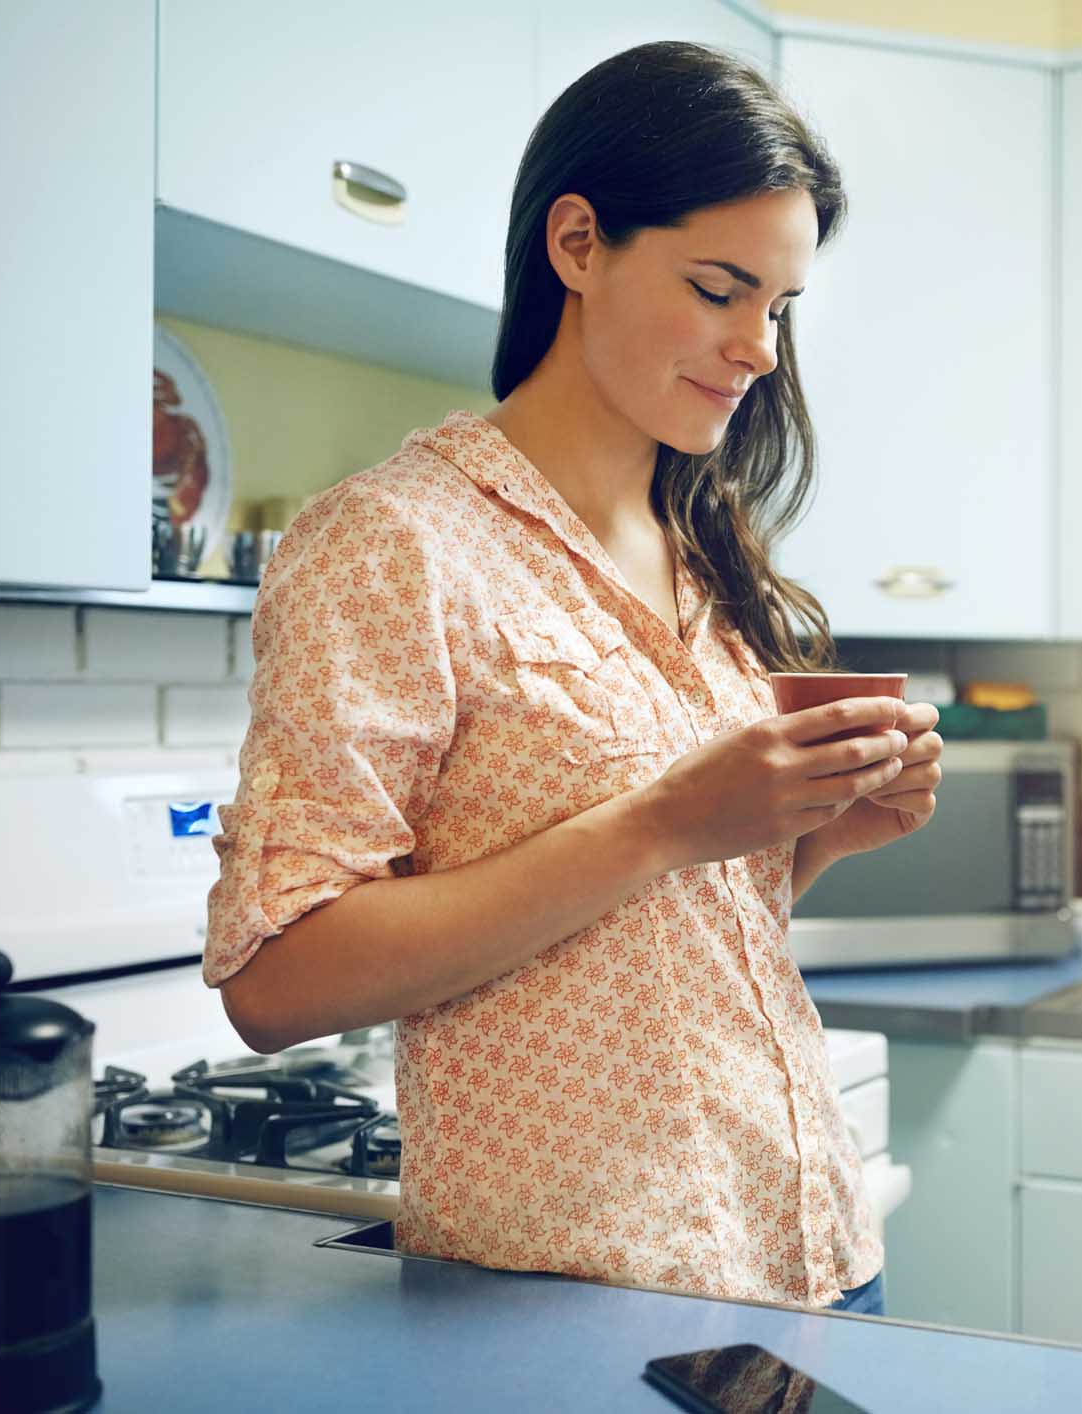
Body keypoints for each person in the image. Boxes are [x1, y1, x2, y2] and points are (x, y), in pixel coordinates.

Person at [203, 41, 941, 1318]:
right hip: (585, 1301)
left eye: (778, 307)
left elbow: (664, 929)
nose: (758, 348)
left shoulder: (701, 551)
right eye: (720, 289)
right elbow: (277, 979)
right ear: (579, 243)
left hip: (814, 1252)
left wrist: (809, 832)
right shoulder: (394, 541)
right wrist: (667, 821)